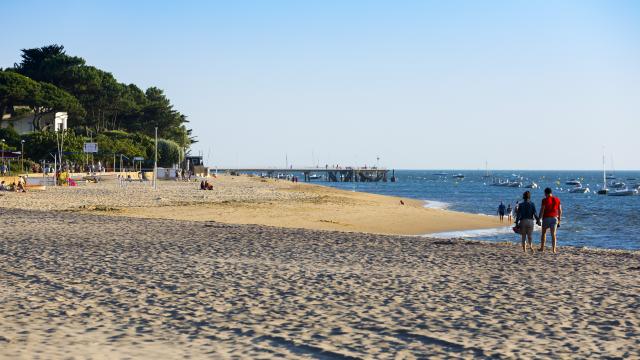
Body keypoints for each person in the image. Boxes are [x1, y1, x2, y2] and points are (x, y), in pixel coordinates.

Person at [539, 187, 562, 253]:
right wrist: (559, 219)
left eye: (545, 194)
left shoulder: (544, 200)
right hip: (554, 218)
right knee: (553, 234)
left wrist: (539, 219)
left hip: (546, 218)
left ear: (546, 193)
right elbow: (560, 210)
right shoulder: (557, 199)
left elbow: (542, 210)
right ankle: (554, 250)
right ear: (551, 193)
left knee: (543, 233)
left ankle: (542, 248)